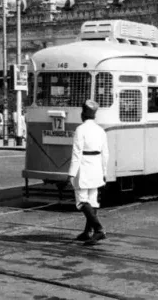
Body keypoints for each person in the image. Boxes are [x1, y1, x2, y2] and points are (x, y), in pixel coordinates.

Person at [67, 100, 109, 246]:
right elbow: (105, 154)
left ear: (83, 113)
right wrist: (104, 172)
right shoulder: (100, 130)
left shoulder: (80, 130)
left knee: (81, 201)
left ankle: (99, 230)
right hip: (97, 168)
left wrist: (71, 173)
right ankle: (88, 232)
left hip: (83, 168)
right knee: (92, 200)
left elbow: (76, 153)